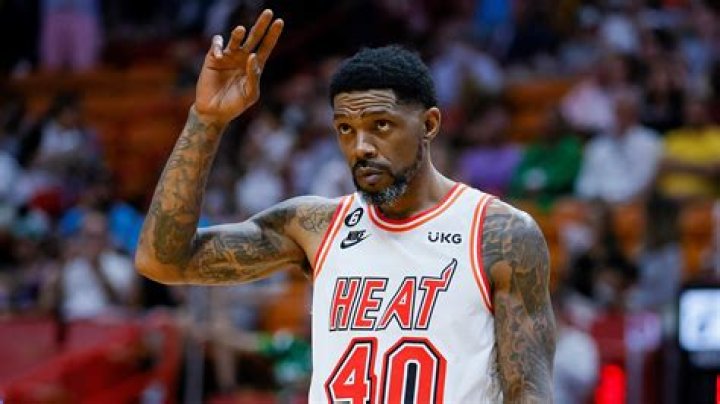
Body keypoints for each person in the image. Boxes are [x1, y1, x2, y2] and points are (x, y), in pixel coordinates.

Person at [135, 9, 555, 402]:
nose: (362, 147)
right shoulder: (315, 226)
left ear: (429, 124)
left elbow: (529, 392)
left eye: (380, 125)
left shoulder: (498, 234)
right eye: (345, 129)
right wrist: (206, 120)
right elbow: (163, 261)